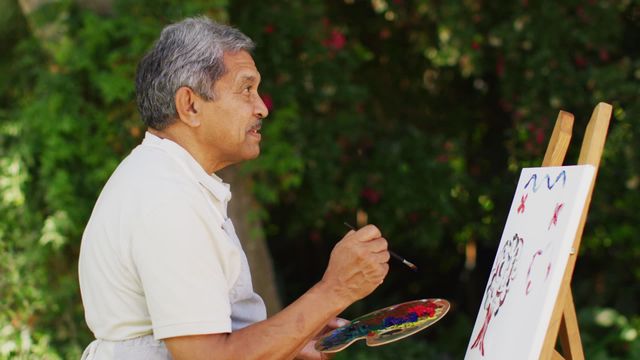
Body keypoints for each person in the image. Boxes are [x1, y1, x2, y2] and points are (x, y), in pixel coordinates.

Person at [78, 16, 390, 359]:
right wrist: (336, 289)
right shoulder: (166, 197)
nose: (262, 108)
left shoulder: (171, 181)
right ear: (190, 105)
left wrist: (292, 338)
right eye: (246, 89)